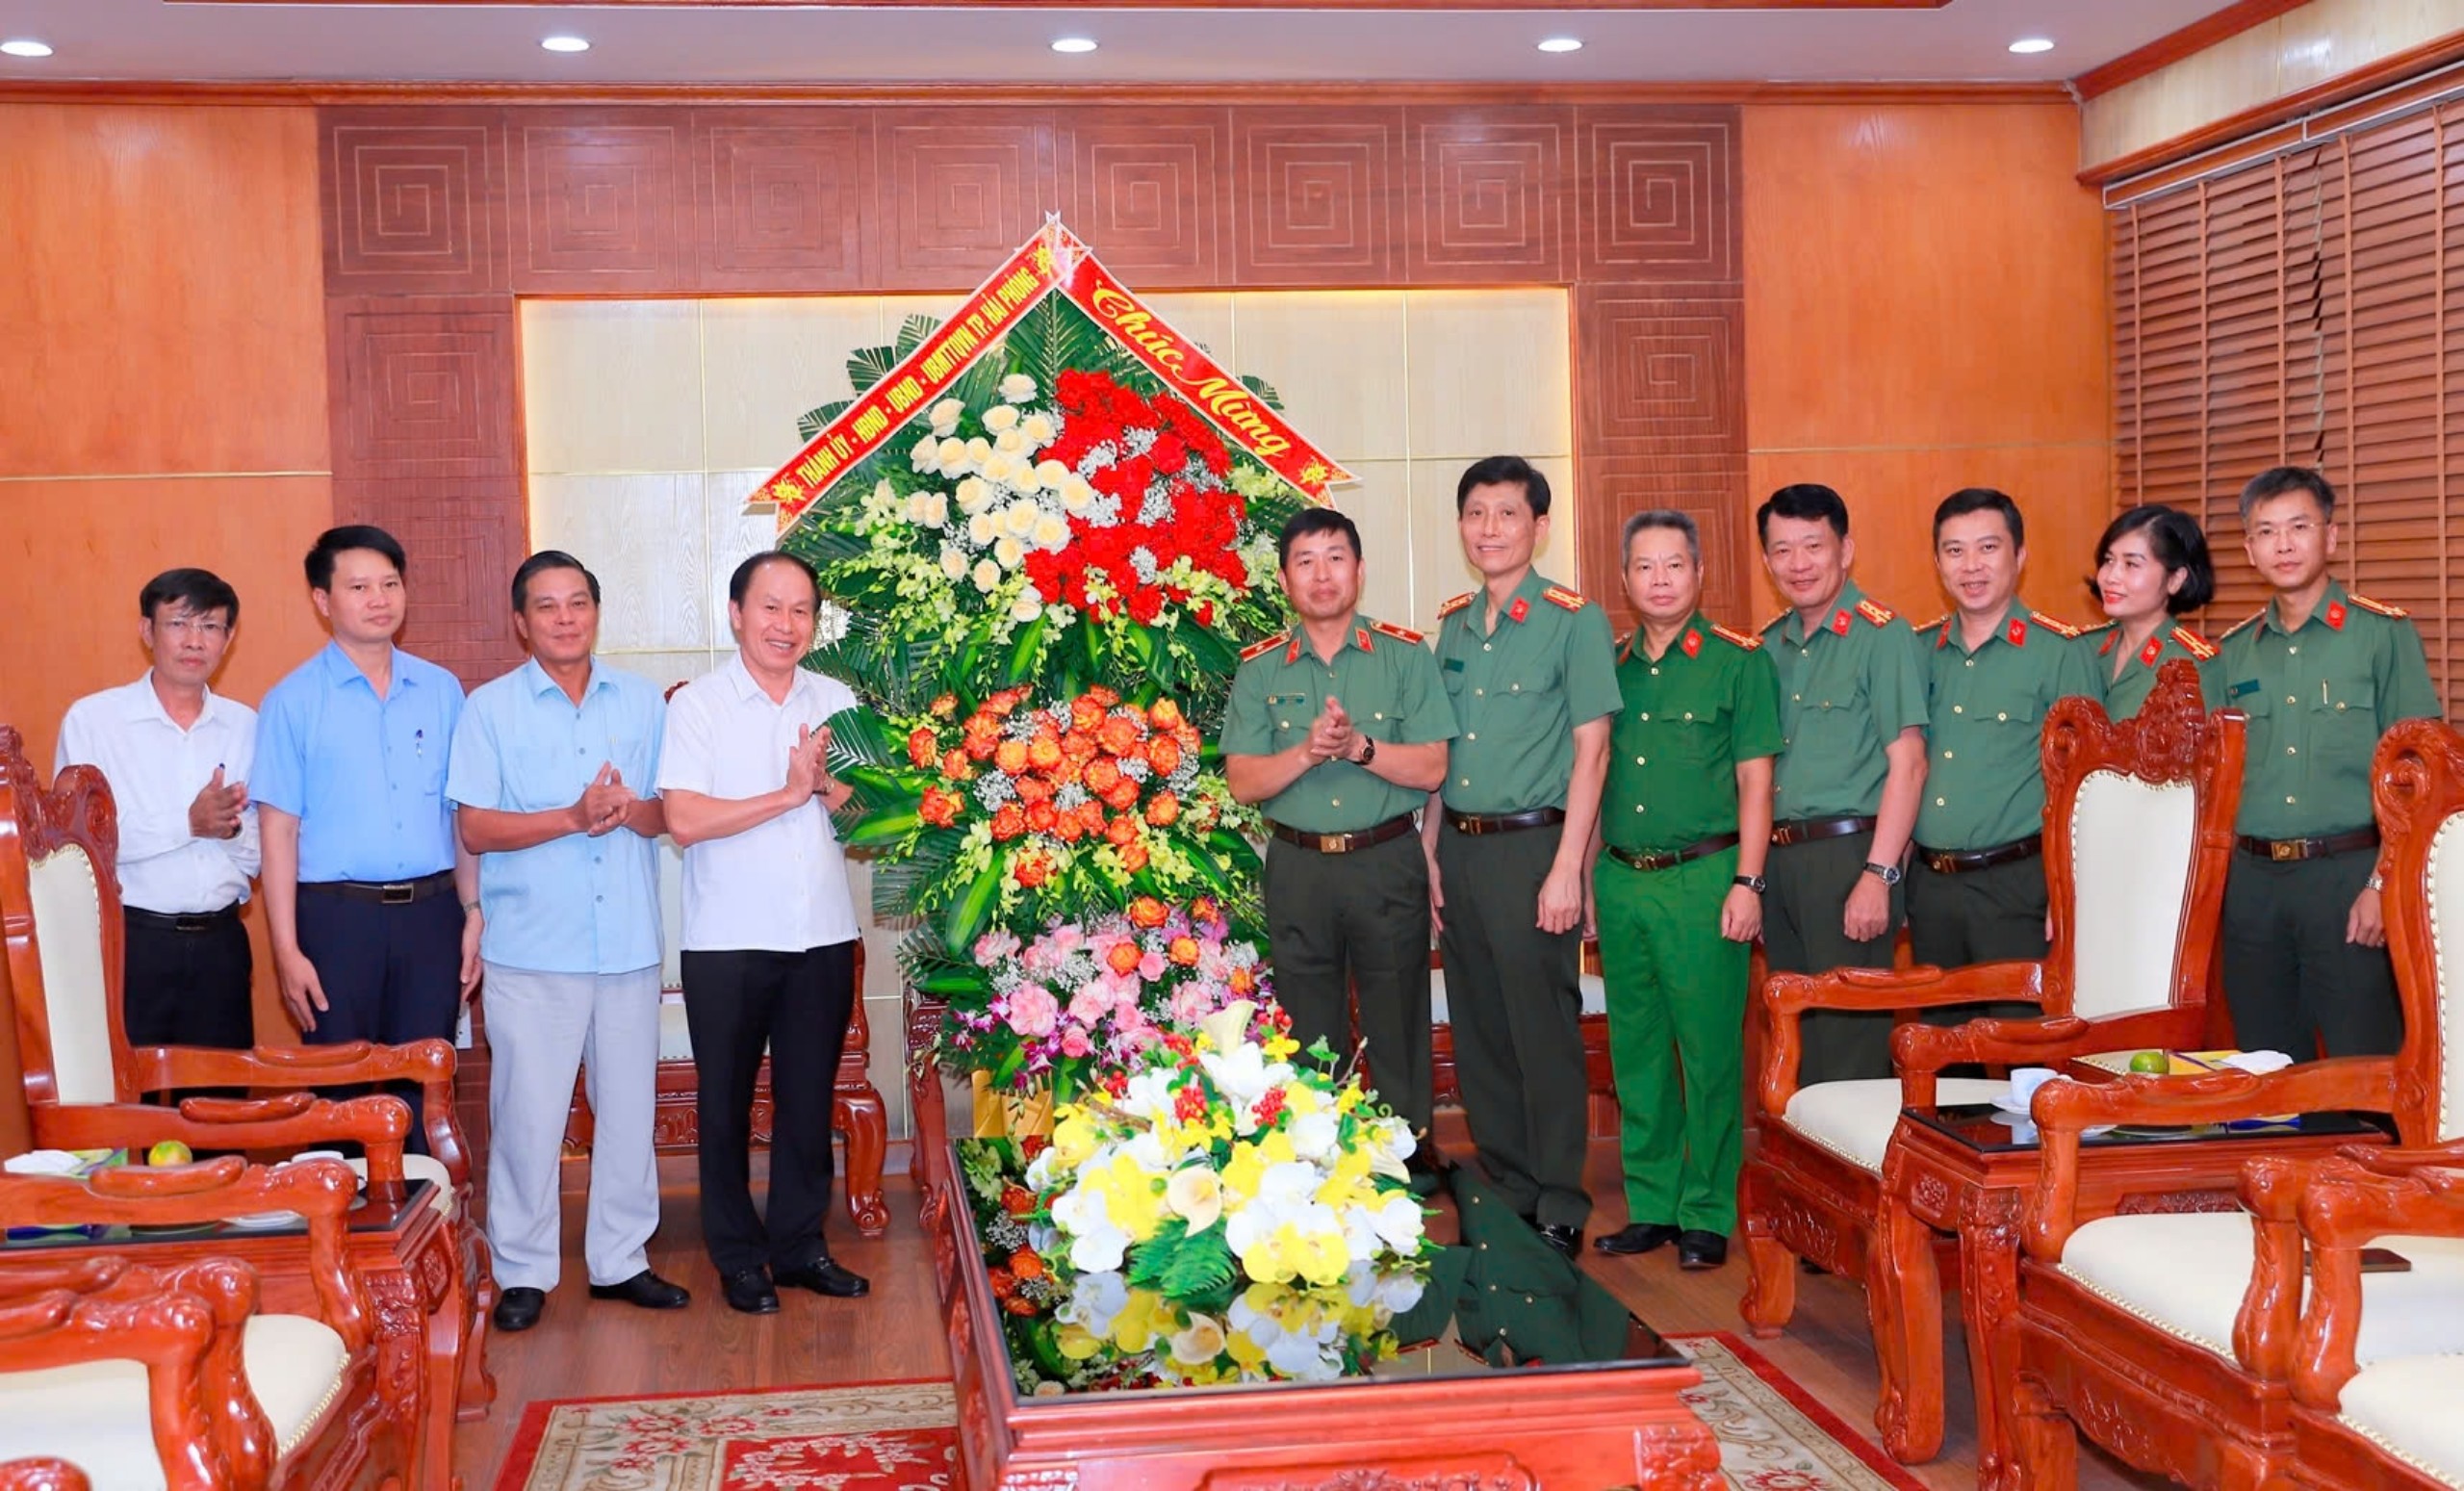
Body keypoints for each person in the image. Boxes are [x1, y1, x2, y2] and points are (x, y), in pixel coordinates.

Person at [448, 552, 687, 1333]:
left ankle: (621, 1259)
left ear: (596, 611)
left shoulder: (644, 702)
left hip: (624, 939)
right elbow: (475, 825)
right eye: (546, 606)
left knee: (628, 1109)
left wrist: (629, 807)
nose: (564, 617)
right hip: (531, 945)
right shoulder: (489, 709)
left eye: (577, 602)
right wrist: (572, 814)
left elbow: (666, 815)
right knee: (528, 1115)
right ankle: (522, 1269)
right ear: (521, 621)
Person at [658, 551, 869, 1315]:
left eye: (801, 610)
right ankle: (739, 1256)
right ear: (737, 613)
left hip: (820, 931)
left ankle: (801, 1245)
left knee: (808, 1098)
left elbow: (867, 822)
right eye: (770, 607)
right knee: (726, 1106)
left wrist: (827, 786)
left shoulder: (836, 698)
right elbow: (683, 818)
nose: (786, 624)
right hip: (728, 939)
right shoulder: (701, 706)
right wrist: (787, 794)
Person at [1425, 455, 1620, 1258]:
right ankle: (1504, 1185)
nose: (1490, 528)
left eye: (1508, 513)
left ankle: (1559, 1196)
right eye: (1477, 513)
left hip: (1537, 845)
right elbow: (1437, 752)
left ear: (1540, 525)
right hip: (1462, 851)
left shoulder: (1575, 620)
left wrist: (1569, 865)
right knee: (1480, 1030)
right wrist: (1430, 853)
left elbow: (1594, 747)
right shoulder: (1453, 623)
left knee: (1541, 1029)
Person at [1222, 508, 1452, 1180]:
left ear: (1359, 568)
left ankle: (1404, 1156)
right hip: (1298, 865)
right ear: (1285, 578)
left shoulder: (1406, 656)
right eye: (1306, 560)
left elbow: (1433, 767)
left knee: (1397, 1012)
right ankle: (1317, 1161)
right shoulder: (1262, 668)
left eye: (1335, 557)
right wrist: (1307, 751)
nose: (1322, 574)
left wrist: (1359, 747)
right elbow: (1242, 780)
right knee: (1306, 1018)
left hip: (1385, 858)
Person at [1588, 511, 1779, 1271]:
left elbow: (1755, 781)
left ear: (1699, 574)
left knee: (1706, 1054)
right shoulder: (1611, 665)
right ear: (1625, 578)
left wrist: (1748, 881)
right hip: (1624, 880)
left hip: (1705, 880)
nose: (1659, 579)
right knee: (1636, 1053)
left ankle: (1705, 1210)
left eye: (1674, 565)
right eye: (1644, 566)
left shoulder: (1738, 662)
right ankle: (1652, 1204)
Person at [253, 527, 479, 1133]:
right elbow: (277, 832)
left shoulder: (441, 690)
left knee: (425, 1085)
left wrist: (472, 909)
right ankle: (347, 1221)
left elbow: (460, 814)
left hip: (432, 917)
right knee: (338, 1089)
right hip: (335, 921)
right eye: (359, 586)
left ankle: (419, 1223)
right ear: (323, 601)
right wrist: (286, 948)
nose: (379, 598)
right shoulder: (292, 701)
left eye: (390, 584)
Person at [2214, 466, 2439, 1058]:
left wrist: (2384, 885)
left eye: (2299, 527)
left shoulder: (2381, 635)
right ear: (2250, 550)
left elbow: (2422, 778)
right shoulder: (2231, 653)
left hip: (2350, 878)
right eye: (2266, 532)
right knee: (2264, 1066)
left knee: (2360, 1060)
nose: (2283, 544)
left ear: (2331, 538)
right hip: (2254, 885)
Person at [1757, 484, 1928, 1085]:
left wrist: (1880, 875)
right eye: (1782, 550)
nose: (1798, 563)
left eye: (1813, 546)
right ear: (1767, 560)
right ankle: (1813, 1178)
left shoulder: (1883, 635)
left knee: (1851, 1043)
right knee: (1794, 1035)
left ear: (1845, 549)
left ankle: (1861, 1176)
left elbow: (1908, 762)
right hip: (1779, 863)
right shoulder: (1767, 647)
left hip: (1849, 857)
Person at [55, 569, 259, 1052]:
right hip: (131, 942)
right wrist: (187, 824)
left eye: (211, 627)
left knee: (219, 1109)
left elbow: (257, 856)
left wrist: (227, 830)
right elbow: (78, 845)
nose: (194, 641)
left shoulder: (245, 724)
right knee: (128, 1108)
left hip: (222, 944)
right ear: (147, 631)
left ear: (228, 640)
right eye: (179, 623)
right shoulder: (95, 721)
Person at [1908, 489, 2098, 971]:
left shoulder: (2059, 651)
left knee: (2017, 1040)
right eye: (1955, 551)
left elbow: (2087, 784)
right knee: (1940, 1040)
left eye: (1988, 548)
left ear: (2020, 556)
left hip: (2018, 884)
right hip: (1930, 887)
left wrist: (2067, 890)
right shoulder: (1918, 651)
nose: (1971, 565)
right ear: (1937, 562)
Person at [2081, 503, 2220, 719]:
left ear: (2175, 579)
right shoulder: (2083, 649)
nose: (2111, 577)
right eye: (2109, 560)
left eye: (2131, 564)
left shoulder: (2195, 666)